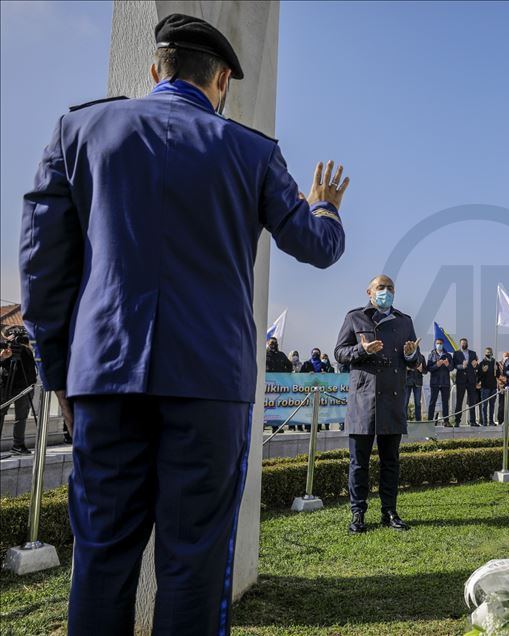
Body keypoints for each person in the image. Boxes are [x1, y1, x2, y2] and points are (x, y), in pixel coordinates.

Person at [18, 14, 348, 634]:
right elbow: (316, 245)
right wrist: (326, 206)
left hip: (105, 378)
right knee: (194, 565)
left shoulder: (79, 130)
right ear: (221, 80)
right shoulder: (252, 151)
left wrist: (58, 373)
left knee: (101, 559)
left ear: (154, 71)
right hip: (208, 386)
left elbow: (43, 266)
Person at [333, 275, 419, 534]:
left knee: (390, 461)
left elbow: (414, 359)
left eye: (390, 288)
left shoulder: (405, 321)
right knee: (359, 462)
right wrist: (362, 351)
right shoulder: (355, 317)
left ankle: (389, 511)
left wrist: (411, 354)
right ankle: (358, 513)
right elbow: (339, 353)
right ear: (369, 292)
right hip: (364, 399)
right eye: (381, 288)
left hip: (392, 399)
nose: (386, 292)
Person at [0, 326, 37, 456]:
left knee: (21, 418)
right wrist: (3, 357)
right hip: (7, 387)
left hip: (25, 387)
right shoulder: (6, 348)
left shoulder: (27, 350)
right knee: (1, 414)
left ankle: (18, 445)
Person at [452, 337, 479, 425]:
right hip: (461, 380)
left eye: (465, 343)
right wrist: (462, 366)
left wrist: (476, 365)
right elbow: (454, 365)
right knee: (459, 401)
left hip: (471, 380)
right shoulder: (456, 353)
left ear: (467, 343)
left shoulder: (473, 353)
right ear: (460, 344)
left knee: (472, 401)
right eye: (462, 343)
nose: (464, 344)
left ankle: (473, 421)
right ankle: (457, 421)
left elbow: (475, 366)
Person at [426, 339, 454, 425]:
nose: (439, 345)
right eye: (437, 343)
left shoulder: (448, 355)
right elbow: (429, 368)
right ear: (435, 344)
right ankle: (430, 421)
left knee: (445, 402)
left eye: (441, 343)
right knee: (432, 402)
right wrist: (436, 365)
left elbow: (451, 368)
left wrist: (447, 364)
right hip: (435, 382)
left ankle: (446, 421)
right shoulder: (431, 355)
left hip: (445, 382)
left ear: (443, 344)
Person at [476, 347, 499, 426]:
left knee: (492, 405)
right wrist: (483, 371)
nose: (489, 354)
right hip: (485, 387)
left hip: (493, 387)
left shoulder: (495, 362)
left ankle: (491, 421)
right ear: (485, 353)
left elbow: (498, 375)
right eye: (487, 352)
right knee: (484, 405)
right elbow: (478, 376)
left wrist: (497, 369)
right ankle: (484, 421)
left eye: (490, 352)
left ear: (492, 353)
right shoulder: (482, 363)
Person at [405, 350, 426, 422]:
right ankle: (405, 420)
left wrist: (422, 369)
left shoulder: (421, 357)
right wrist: (407, 369)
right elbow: (401, 368)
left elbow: (425, 370)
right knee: (405, 402)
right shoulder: (406, 356)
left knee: (417, 403)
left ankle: (418, 421)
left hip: (418, 382)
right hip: (407, 382)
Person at [495, 351, 509, 424]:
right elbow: (497, 375)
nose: (506, 358)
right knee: (501, 404)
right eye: (505, 356)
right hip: (501, 386)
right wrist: (501, 384)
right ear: (502, 356)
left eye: (507, 356)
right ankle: (500, 419)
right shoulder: (498, 364)